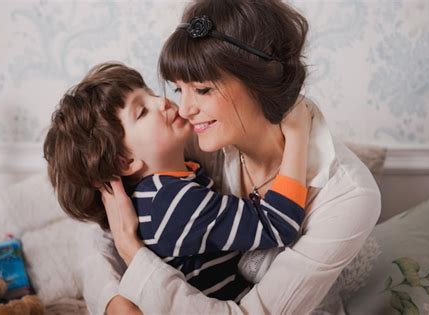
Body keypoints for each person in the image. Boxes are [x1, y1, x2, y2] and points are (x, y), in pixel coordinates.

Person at [82, 0, 381, 314]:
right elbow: (101, 233)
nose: (182, 110)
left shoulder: (349, 196)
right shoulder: (194, 137)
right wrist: (112, 300)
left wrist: (132, 251)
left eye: (202, 90)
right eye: (177, 89)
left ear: (257, 81)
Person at [44, 62, 312, 303]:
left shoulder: (163, 186)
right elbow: (277, 225)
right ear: (126, 162)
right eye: (142, 112)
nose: (161, 102)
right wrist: (297, 133)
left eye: (150, 93)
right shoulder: (174, 204)